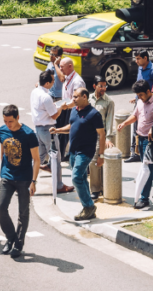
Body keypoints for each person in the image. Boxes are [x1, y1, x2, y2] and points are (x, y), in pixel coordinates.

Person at [50, 89, 105, 221]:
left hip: (85, 152)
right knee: (81, 178)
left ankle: (88, 206)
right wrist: (57, 130)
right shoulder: (74, 110)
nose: (73, 99)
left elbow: (102, 134)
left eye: (75, 97)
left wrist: (101, 155)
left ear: (84, 97)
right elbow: (71, 125)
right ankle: (89, 209)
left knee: (75, 178)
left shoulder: (94, 114)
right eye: (73, 97)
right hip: (73, 152)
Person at [0, 104, 40, 259]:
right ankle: (11, 237)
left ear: (18, 118)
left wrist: (33, 181)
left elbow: (36, 159)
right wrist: (2, 171)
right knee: (1, 208)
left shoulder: (29, 134)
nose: (8, 125)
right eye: (5, 121)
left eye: (11, 121)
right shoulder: (2, 130)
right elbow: (2, 151)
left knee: (23, 213)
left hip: (24, 179)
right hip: (7, 177)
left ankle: (19, 244)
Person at [118, 80, 153, 210]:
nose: (139, 98)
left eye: (141, 95)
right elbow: (135, 115)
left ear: (148, 91)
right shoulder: (140, 101)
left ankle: (144, 198)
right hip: (140, 138)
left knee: (146, 168)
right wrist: (124, 124)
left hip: (150, 140)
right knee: (148, 167)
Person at [29, 71, 65, 191]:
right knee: (56, 158)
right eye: (53, 81)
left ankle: (26, 183)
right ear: (48, 83)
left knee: (37, 158)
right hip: (48, 130)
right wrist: (61, 107)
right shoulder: (46, 97)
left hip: (38, 129)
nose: (54, 83)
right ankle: (59, 185)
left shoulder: (35, 92)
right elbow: (54, 116)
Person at [87, 76, 115, 198]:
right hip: (89, 135)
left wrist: (108, 137)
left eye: (105, 86)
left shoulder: (109, 102)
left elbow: (109, 120)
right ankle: (95, 189)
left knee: (98, 161)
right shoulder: (88, 99)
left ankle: (100, 189)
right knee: (92, 163)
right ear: (94, 86)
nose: (104, 88)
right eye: (101, 86)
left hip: (101, 136)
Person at [55, 57, 85, 163]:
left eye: (62, 67)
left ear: (70, 66)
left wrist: (66, 106)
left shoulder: (77, 81)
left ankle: (63, 155)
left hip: (71, 109)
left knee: (66, 133)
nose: (60, 69)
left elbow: (76, 100)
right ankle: (61, 154)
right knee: (61, 133)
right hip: (65, 107)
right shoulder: (68, 76)